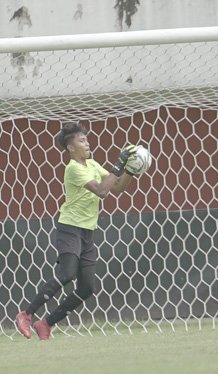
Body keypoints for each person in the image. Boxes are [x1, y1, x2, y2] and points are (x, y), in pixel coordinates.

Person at [15, 122, 137, 340]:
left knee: (87, 288)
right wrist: (119, 162)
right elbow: (101, 191)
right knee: (67, 274)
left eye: (87, 139)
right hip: (69, 228)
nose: (87, 143)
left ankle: (46, 323)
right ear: (71, 148)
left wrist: (129, 170)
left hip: (87, 231)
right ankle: (26, 314)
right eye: (81, 140)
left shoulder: (91, 164)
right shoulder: (73, 168)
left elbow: (116, 187)